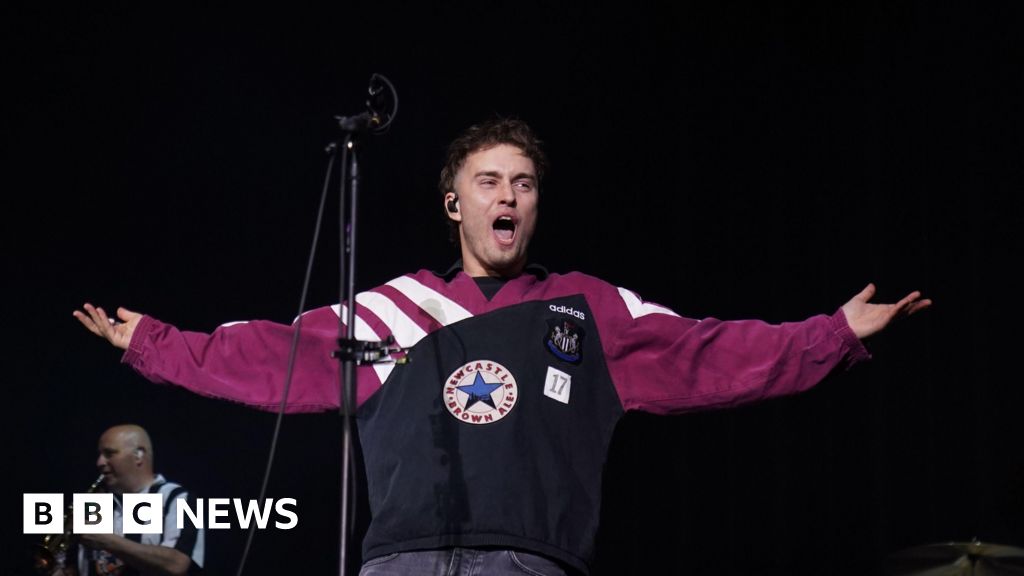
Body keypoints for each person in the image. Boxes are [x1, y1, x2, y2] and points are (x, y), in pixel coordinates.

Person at [74, 118, 930, 575]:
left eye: (523, 183)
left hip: (528, 558)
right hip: (399, 560)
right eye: (488, 181)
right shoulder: (397, 309)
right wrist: (150, 342)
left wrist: (828, 336)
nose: (507, 196)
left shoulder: (589, 309)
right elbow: (267, 354)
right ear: (456, 204)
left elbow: (708, 352)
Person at [53, 425, 205, 576]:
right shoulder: (94, 505)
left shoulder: (178, 499)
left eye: (109, 454)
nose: (99, 462)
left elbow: (177, 564)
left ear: (138, 455)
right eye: (99, 455)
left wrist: (107, 541)